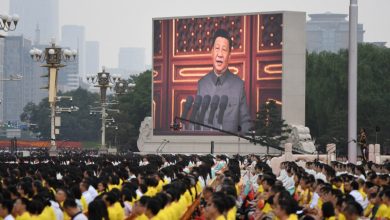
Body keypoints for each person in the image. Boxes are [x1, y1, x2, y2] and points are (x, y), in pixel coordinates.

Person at [196, 28, 252, 134]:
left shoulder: (239, 86)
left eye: (224, 50)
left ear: (229, 57)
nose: (220, 54)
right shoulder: (202, 84)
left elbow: (246, 123)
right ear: (211, 53)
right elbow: (195, 121)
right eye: (217, 48)